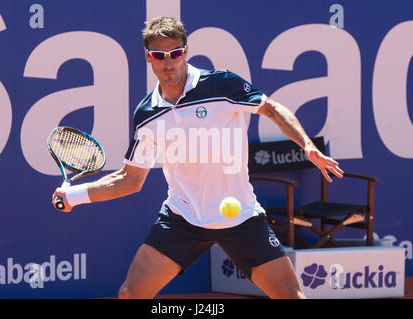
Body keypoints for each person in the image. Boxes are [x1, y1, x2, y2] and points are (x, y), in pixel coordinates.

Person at [52, 16, 343, 299]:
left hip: (241, 217)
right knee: (131, 294)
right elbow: (130, 180)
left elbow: (272, 109)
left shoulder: (222, 85)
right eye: (159, 55)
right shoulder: (147, 115)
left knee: (290, 296)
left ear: (186, 51)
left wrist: (307, 145)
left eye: (175, 53)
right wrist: (74, 196)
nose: (169, 62)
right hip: (182, 218)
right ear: (148, 57)